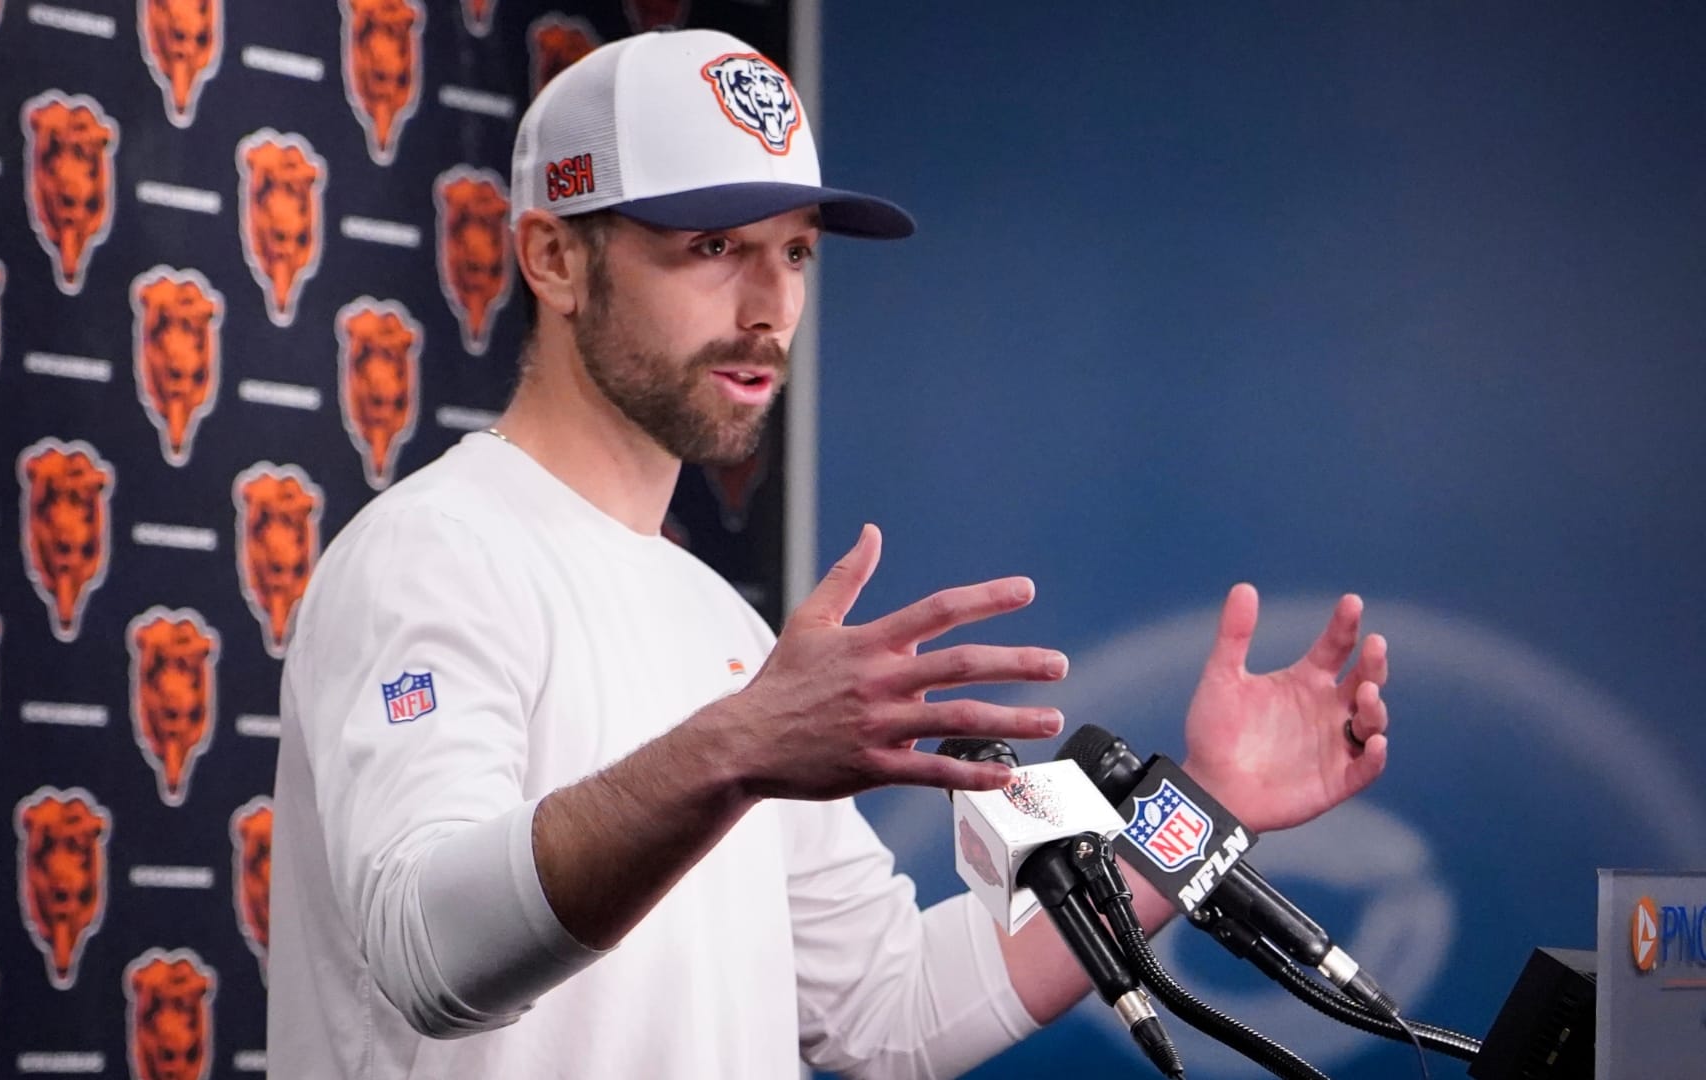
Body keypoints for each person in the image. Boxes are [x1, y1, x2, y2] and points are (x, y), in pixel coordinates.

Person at [266, 27, 1393, 1080]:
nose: (771, 307)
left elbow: (888, 1007)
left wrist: (1192, 814)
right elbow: (425, 955)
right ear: (554, 260)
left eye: (794, 252)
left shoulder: (723, 630)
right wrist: (736, 750)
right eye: (713, 247)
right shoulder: (433, 554)